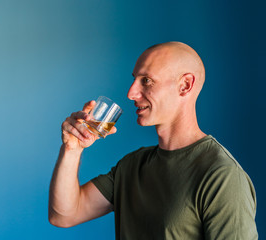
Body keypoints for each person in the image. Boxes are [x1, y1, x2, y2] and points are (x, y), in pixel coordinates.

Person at [48, 41, 258, 239]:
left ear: (185, 85)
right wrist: (72, 149)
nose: (131, 93)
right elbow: (63, 215)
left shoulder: (222, 177)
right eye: (134, 79)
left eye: (146, 80)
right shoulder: (131, 166)